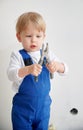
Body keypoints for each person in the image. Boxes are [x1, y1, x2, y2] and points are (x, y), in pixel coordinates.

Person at [7, 12, 68, 130]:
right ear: (19, 37)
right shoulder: (17, 56)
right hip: (23, 109)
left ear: (44, 37)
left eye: (38, 36)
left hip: (43, 108)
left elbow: (66, 70)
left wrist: (57, 66)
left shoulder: (48, 54)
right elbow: (10, 74)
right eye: (29, 36)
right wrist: (27, 70)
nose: (33, 40)